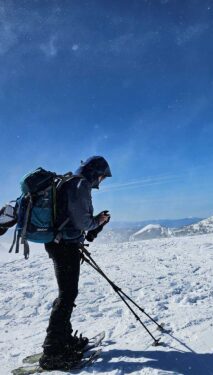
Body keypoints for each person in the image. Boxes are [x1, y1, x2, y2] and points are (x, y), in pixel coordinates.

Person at [39, 156, 112, 370]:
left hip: (60, 243)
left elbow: (73, 218)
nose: (101, 181)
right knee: (67, 295)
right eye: (101, 176)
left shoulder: (70, 181)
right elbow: (82, 222)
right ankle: (52, 351)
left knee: (68, 293)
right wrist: (97, 221)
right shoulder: (80, 185)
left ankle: (63, 340)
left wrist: (92, 222)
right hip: (65, 246)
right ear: (94, 172)